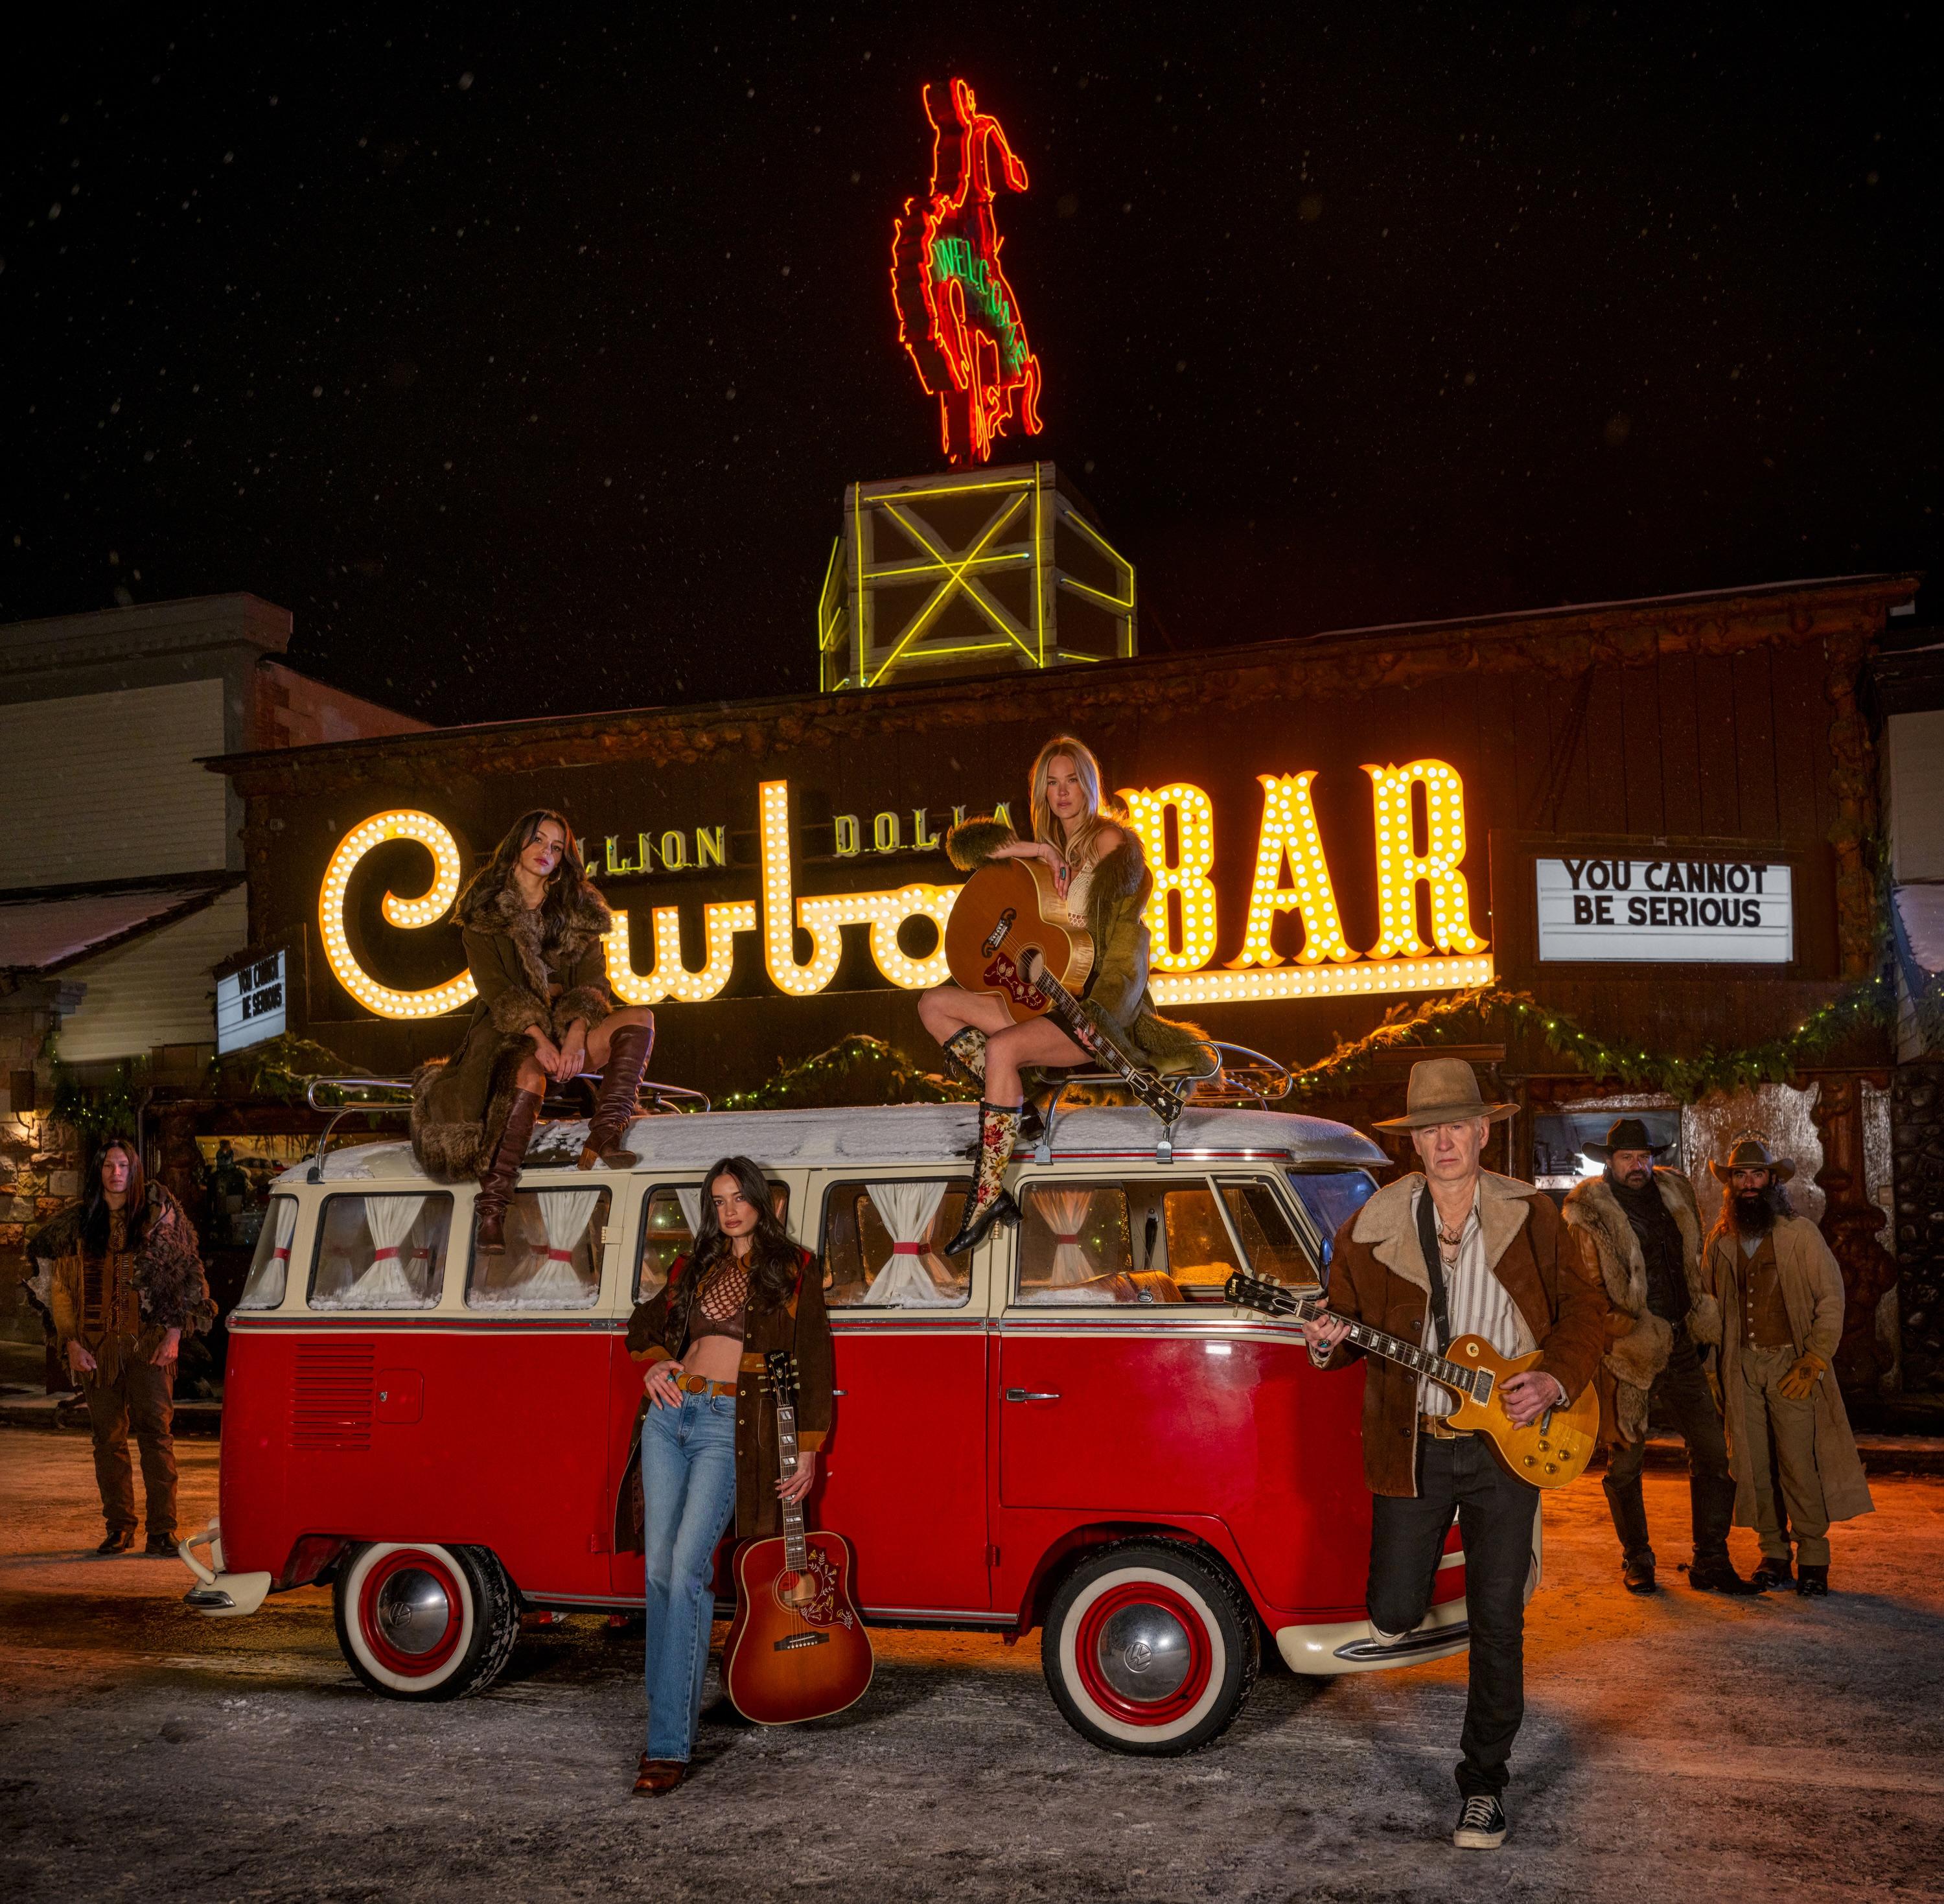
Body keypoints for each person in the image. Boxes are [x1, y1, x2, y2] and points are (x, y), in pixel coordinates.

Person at [1302, 1058, 1608, 1852]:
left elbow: (1587, 1313)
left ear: (1482, 1131)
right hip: (1417, 1449)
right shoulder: (1369, 1228)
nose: (1445, 1140)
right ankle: (1451, 1600)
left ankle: (1483, 1786)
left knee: (1497, 1619)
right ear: (1416, 1141)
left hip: (1510, 1448)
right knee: (1394, 1609)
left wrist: (1553, 1378)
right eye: (1429, 1128)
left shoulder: (1531, 1215)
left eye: (1458, 1125)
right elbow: (1343, 1324)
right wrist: (1325, 1339)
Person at [917, 734, 1207, 1254]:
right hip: (1033, 1000)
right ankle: (1014, 1111)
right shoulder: (1038, 857)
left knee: (1003, 1050)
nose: (1063, 791)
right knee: (933, 1005)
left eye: (1072, 779)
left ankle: (986, 1198)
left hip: (1086, 1012)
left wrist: (1100, 1013)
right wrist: (1036, 849)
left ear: (1089, 785)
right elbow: (964, 848)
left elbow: (1125, 954)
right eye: (1052, 783)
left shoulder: (1112, 846)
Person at [618, 1155, 833, 1793]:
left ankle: (666, 1747)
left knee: (687, 1567)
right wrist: (656, 1364)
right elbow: (642, 1325)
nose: (729, 1209)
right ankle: (667, 1721)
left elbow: (814, 1358)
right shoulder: (693, 1266)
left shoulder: (794, 1267)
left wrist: (809, 1449)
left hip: (727, 1427)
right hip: (670, 1416)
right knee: (659, 1572)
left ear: (762, 1202)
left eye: (739, 1197)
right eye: (718, 1200)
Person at [410, 809, 655, 1249]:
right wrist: (541, 1040)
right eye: (539, 840)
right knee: (527, 1076)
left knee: (641, 1018)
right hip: (507, 1034)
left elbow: (594, 984)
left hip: (569, 1028)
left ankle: (606, 1133)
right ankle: (493, 1206)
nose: (547, 852)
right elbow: (497, 990)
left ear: (565, 857)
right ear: (518, 846)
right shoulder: (485, 916)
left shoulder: (577, 911)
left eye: (557, 846)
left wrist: (577, 1034)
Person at [1562, 1118, 1758, 1596]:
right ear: (1608, 1162)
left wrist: (1699, 1314)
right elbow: (1585, 1290)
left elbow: (1691, 1265)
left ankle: (1711, 1560)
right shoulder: (1589, 1212)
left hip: (1682, 1342)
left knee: (1713, 1451)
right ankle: (1638, 1557)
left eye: (1644, 1157)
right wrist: (1619, 1330)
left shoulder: (1674, 1193)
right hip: (1630, 1350)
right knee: (1626, 1464)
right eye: (1628, 1158)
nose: (1638, 1166)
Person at [1702, 1136, 1873, 1594]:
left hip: (1790, 1366)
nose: (1749, 1183)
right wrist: (1713, 1370)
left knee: (1799, 1463)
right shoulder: (1720, 1243)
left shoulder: (1801, 1235)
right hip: (1741, 1369)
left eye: (1757, 1174)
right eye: (1740, 1176)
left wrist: (1815, 1358)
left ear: (1772, 1181)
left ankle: (1814, 1557)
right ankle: (1773, 1553)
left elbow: (1830, 1300)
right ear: (1731, 1185)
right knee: (1754, 1466)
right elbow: (1711, 1310)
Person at [32, 1138, 214, 1555]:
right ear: (99, 1172)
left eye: (124, 1166)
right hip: (97, 1348)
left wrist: (173, 1335)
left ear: (134, 1171)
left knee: (157, 1435)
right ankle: (119, 1527)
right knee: (108, 1440)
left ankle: (162, 1530)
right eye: (109, 1166)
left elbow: (186, 1276)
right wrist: (72, 1343)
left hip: (149, 1344)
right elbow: (61, 1290)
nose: (116, 1173)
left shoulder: (157, 1219)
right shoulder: (79, 1226)